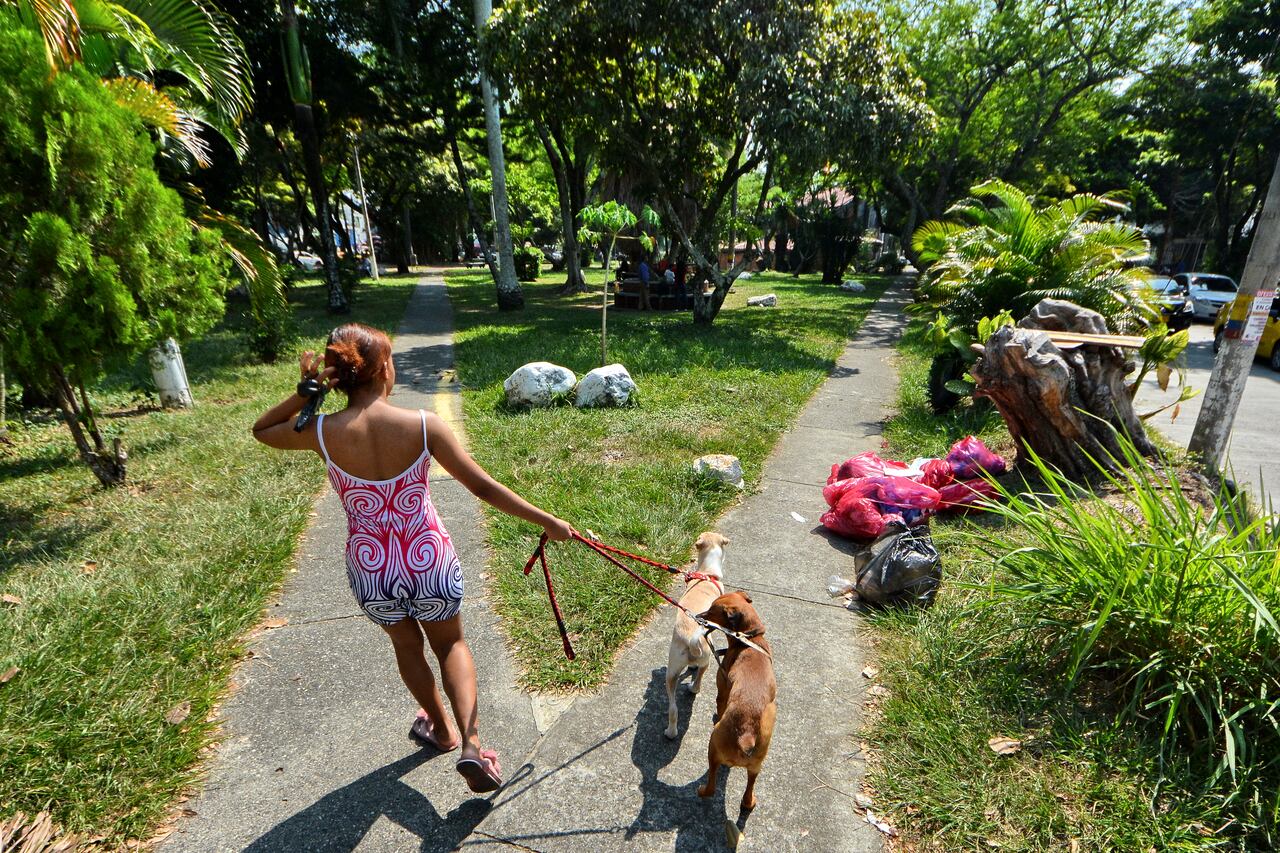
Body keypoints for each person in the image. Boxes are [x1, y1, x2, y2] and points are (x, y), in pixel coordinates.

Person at [251, 323, 575, 794]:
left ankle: (439, 730)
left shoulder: (321, 432)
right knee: (451, 646)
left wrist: (306, 395)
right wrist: (547, 521)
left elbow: (262, 430)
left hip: (372, 567)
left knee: (408, 648)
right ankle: (471, 743)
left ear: (340, 377)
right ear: (385, 369)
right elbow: (482, 487)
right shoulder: (424, 425)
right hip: (428, 560)